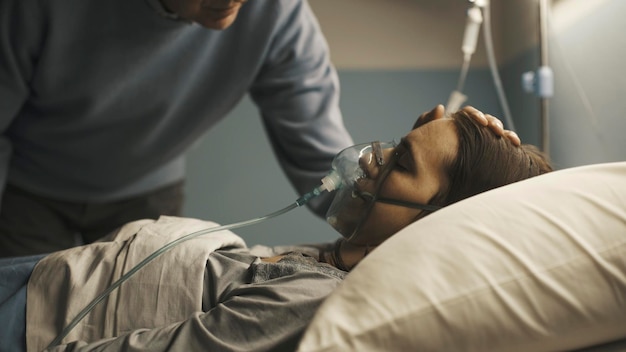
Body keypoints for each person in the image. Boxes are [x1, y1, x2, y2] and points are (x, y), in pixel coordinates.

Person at [0, 106, 551, 352]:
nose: (368, 162)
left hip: (37, 325)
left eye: (399, 163)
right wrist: (436, 132)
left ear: (436, 225)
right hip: (55, 280)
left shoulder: (317, 301)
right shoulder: (338, 257)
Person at [0, 0, 354, 257]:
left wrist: (385, 221)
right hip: (26, 194)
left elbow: (324, 161)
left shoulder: (278, 13)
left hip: (150, 192)